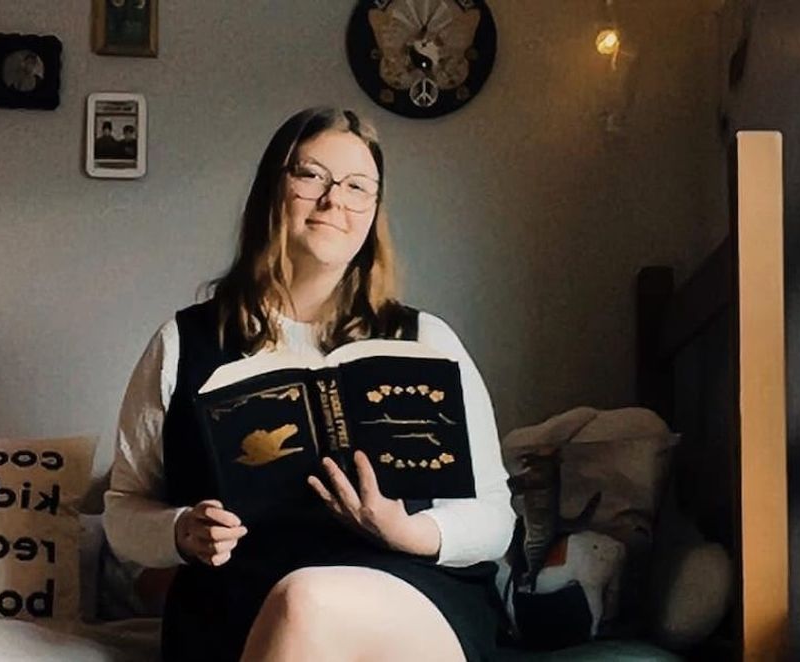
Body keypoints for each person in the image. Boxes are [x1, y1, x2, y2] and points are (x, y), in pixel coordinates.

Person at [103, 106, 515, 661]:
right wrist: (181, 530)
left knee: (307, 600)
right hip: (235, 601)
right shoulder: (183, 341)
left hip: (406, 593)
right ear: (273, 189)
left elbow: (494, 517)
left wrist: (407, 532)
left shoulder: (425, 339)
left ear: (374, 211)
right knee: (298, 601)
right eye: (311, 175)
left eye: (357, 186)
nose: (334, 200)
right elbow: (124, 509)